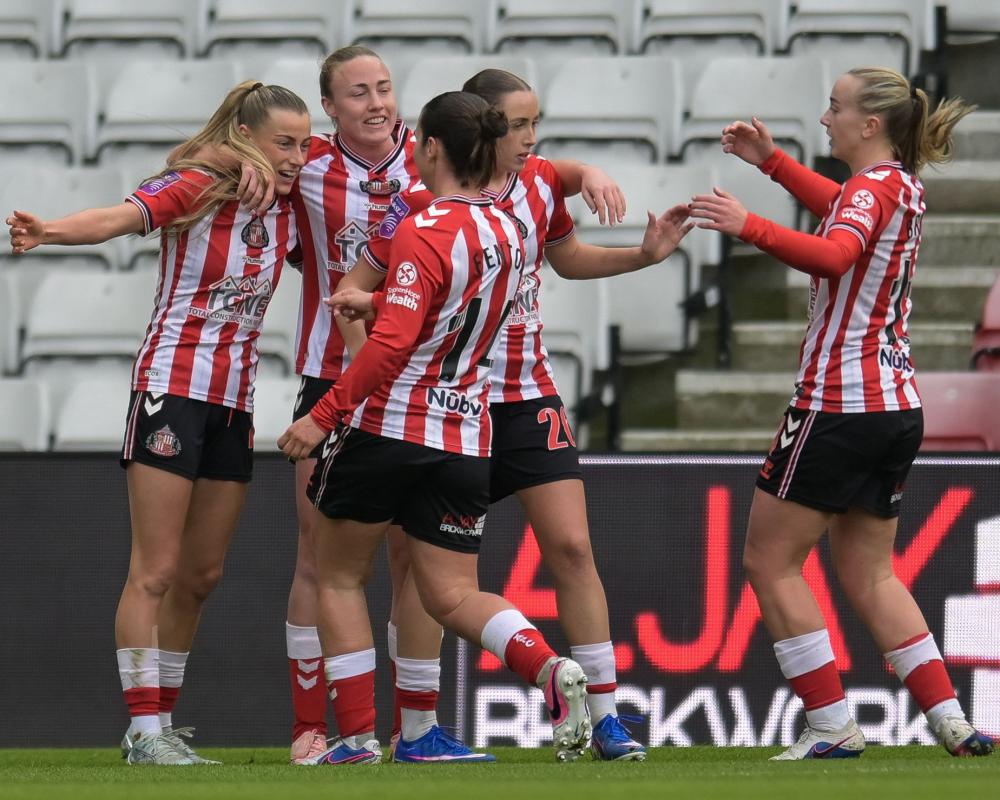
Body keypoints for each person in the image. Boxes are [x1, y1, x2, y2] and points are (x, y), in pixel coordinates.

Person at [223, 46, 629, 764]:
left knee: (340, 574)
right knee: (447, 590)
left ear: (429, 146)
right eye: (362, 91)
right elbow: (448, 302)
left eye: (388, 92)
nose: (380, 104)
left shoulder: (417, 223)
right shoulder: (510, 229)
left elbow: (390, 344)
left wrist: (328, 409)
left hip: (382, 413)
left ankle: (354, 738)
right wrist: (379, 297)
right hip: (467, 424)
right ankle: (542, 668)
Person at [342, 68, 692, 762]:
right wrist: (372, 387)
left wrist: (642, 257)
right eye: (518, 126)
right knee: (415, 566)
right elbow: (359, 290)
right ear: (482, 129)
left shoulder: (534, 185)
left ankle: (605, 718)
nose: (531, 140)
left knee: (571, 547)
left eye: (536, 124)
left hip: (526, 396)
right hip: (447, 403)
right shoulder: (418, 201)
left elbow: (565, 258)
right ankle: (417, 728)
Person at [689, 67, 994, 760]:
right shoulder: (899, 186)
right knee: (871, 574)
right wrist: (772, 164)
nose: (825, 118)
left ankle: (831, 724)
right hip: (894, 407)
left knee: (770, 562)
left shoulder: (871, 190)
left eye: (834, 108)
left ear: (869, 125)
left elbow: (833, 251)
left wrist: (751, 225)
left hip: (838, 403)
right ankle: (950, 720)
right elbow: (841, 209)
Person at [7, 81, 311, 765]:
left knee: (202, 573)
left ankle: (160, 726)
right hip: (171, 389)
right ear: (246, 138)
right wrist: (49, 231)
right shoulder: (197, 187)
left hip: (234, 402)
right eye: (283, 143)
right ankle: (144, 730)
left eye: (303, 143)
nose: (296, 156)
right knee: (156, 568)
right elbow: (118, 218)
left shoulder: (291, 203)